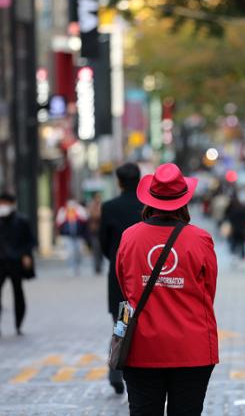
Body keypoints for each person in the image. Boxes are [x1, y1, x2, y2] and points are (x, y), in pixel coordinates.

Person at [116, 163, 218, 415]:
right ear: (183, 201)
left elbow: (125, 285)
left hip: (142, 347)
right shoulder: (200, 239)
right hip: (192, 349)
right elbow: (209, 292)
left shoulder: (130, 237)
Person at [99, 163, 143, 394]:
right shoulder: (146, 206)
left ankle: (116, 370)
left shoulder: (109, 207)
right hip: (145, 277)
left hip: (119, 277)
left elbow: (104, 243)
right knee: (145, 324)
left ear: (119, 182)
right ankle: (140, 372)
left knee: (121, 323)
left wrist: (116, 259)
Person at [0, 193, 35, 337]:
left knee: (18, 292)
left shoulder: (22, 221)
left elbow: (30, 241)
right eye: (0, 203)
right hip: (0, 262)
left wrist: (26, 255)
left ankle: (18, 324)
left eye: (5, 203)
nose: (2, 206)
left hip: (16, 262)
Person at [55, 200, 88, 275]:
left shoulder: (79, 211)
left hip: (78, 236)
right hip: (68, 236)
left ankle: (77, 266)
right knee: (70, 252)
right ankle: (72, 267)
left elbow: (85, 219)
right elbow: (59, 222)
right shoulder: (64, 212)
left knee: (79, 252)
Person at [225, 192, 245, 260]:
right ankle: (243, 256)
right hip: (242, 229)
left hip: (235, 229)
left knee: (234, 242)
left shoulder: (232, 211)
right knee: (242, 244)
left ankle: (234, 255)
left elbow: (229, 219)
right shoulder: (243, 210)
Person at [87, 192, 104, 275]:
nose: (98, 199)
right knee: (96, 248)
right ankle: (97, 266)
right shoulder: (92, 206)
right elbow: (93, 215)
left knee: (101, 249)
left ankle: (100, 265)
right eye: (97, 197)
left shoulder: (102, 205)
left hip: (101, 230)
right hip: (94, 231)